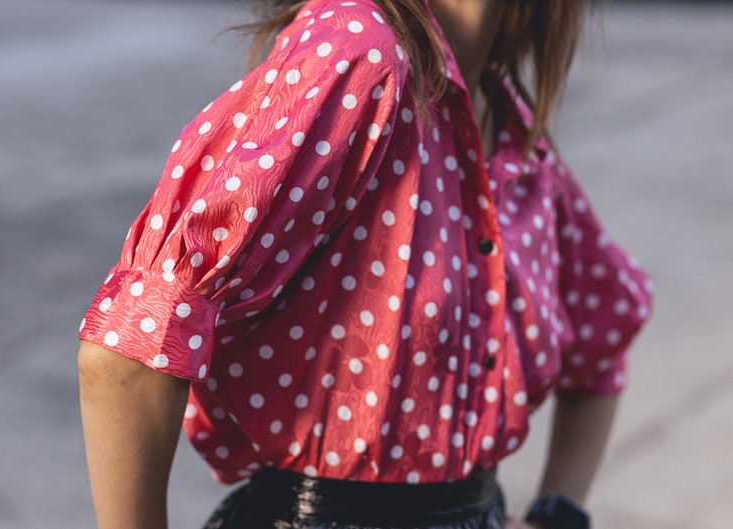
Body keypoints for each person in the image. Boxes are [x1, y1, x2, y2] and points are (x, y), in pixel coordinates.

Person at [77, 0, 653, 527]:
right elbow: (129, 351)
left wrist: (558, 513)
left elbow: (606, 326)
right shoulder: (362, 52)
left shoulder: (510, 128)